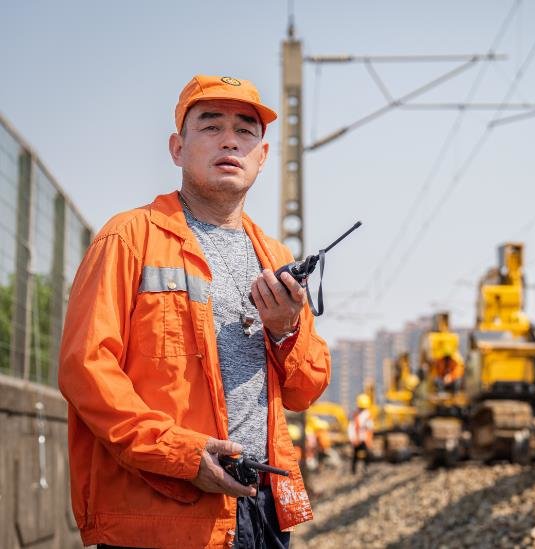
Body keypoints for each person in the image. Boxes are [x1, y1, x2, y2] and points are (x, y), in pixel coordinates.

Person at [58, 74, 331, 549]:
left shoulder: (274, 257)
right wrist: (182, 456)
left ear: (262, 156)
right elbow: (87, 370)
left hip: (261, 507)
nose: (230, 141)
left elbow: (305, 391)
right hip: (161, 511)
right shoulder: (129, 238)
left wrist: (286, 331)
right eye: (210, 126)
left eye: (245, 130)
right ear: (177, 148)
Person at [348, 394, 374, 474]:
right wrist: (353, 438)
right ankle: (354, 471)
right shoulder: (356, 415)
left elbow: (370, 426)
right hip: (357, 438)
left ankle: (366, 468)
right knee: (355, 455)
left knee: (367, 454)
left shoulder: (367, 414)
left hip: (364, 438)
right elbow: (351, 427)